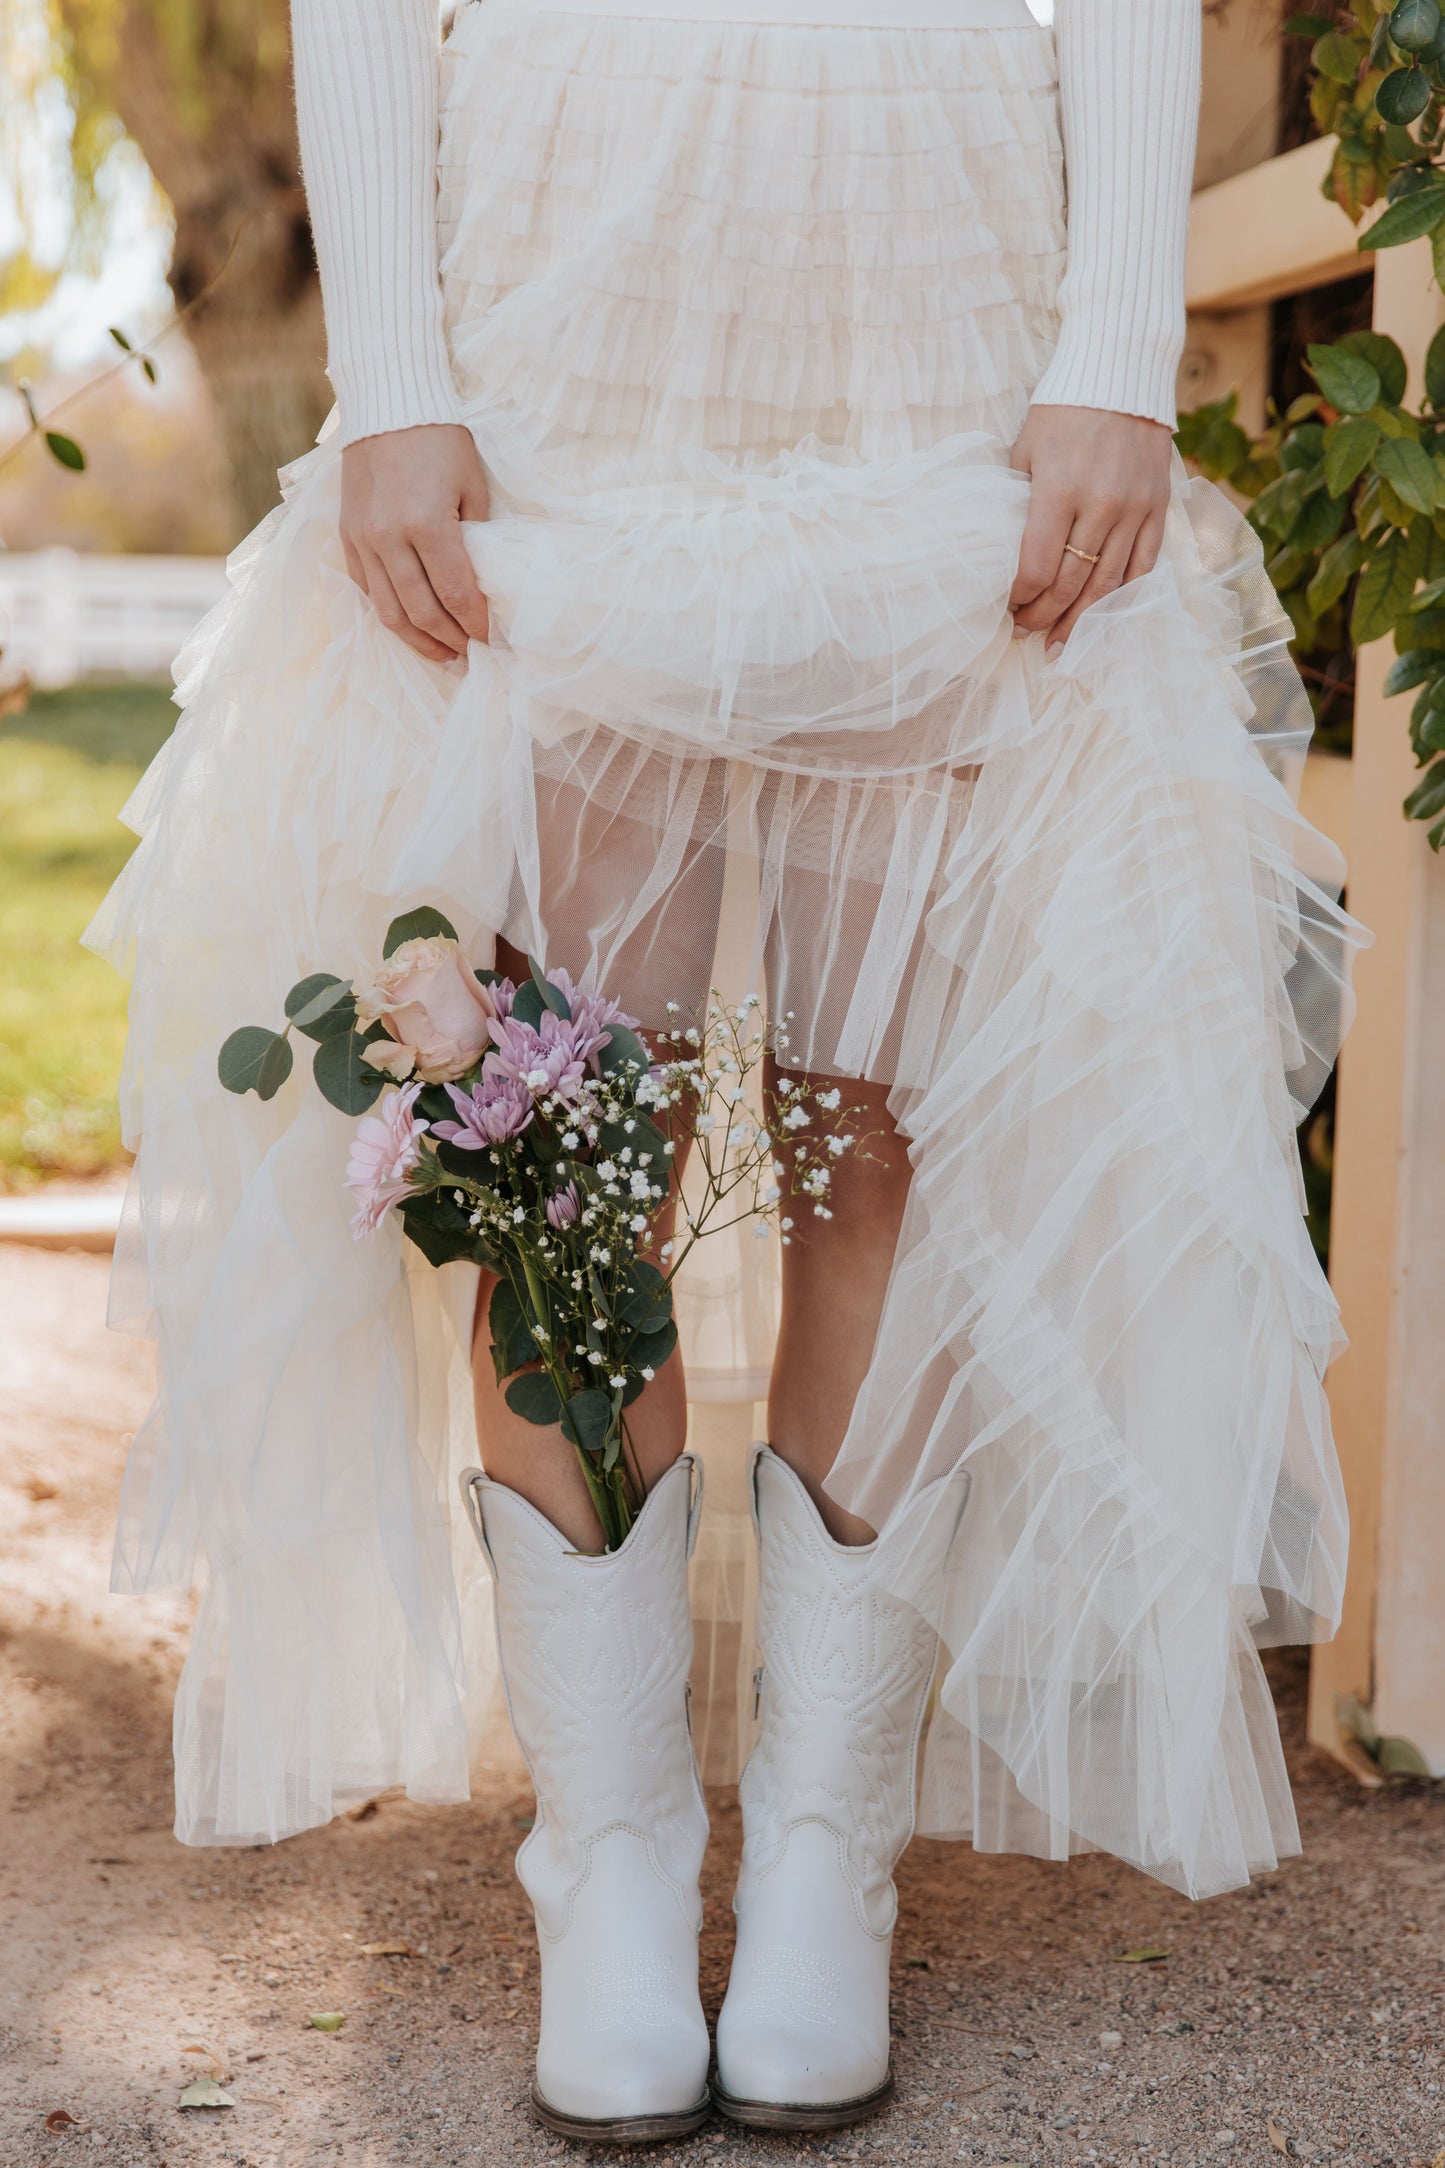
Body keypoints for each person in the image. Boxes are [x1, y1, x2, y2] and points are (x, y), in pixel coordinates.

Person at [87, 0, 1365, 2144]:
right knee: (571, 1128)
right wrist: (395, 372)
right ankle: (605, 1874)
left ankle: (825, 1869)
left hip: (935, 272)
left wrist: (1117, 346)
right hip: (569, 295)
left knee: (890, 1122)